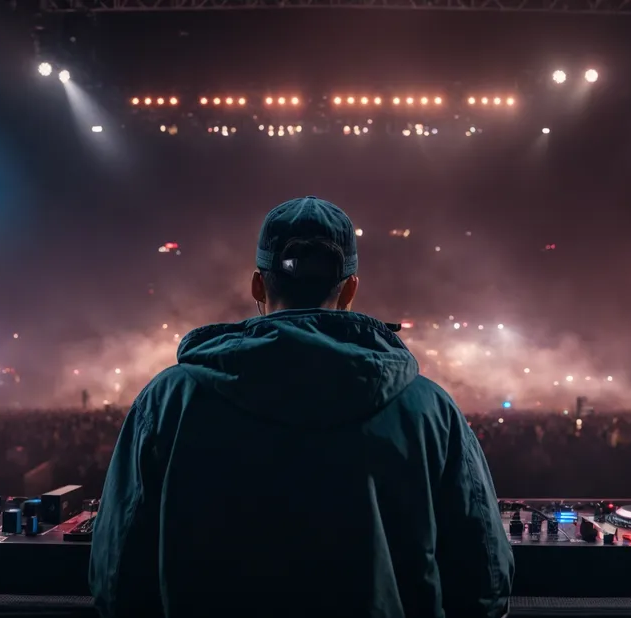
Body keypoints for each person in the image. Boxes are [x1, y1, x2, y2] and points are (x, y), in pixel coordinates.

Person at [89, 196, 514, 618]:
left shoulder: (168, 401)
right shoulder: (430, 410)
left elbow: (117, 575)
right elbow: (485, 579)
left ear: (258, 284)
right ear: (350, 289)